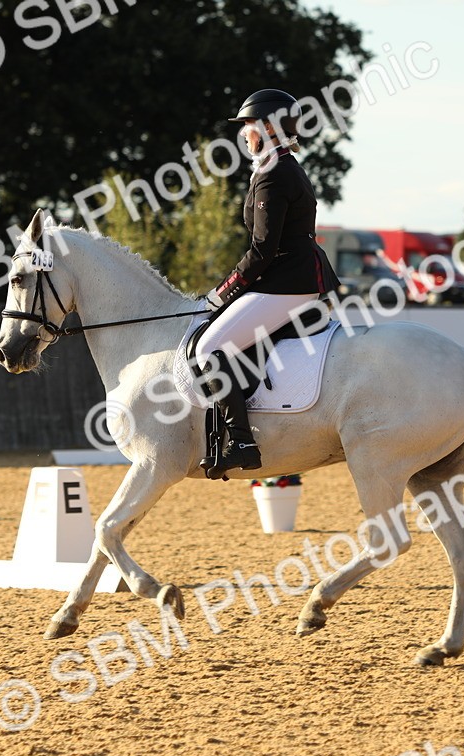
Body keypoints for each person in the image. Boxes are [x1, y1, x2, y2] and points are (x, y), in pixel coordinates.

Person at [196, 88, 340, 479]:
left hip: (287, 282)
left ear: (269, 127)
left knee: (209, 346)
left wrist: (222, 292)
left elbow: (262, 249)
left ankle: (241, 441)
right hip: (290, 278)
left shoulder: (276, 173)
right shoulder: (276, 165)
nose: (243, 133)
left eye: (248, 125)